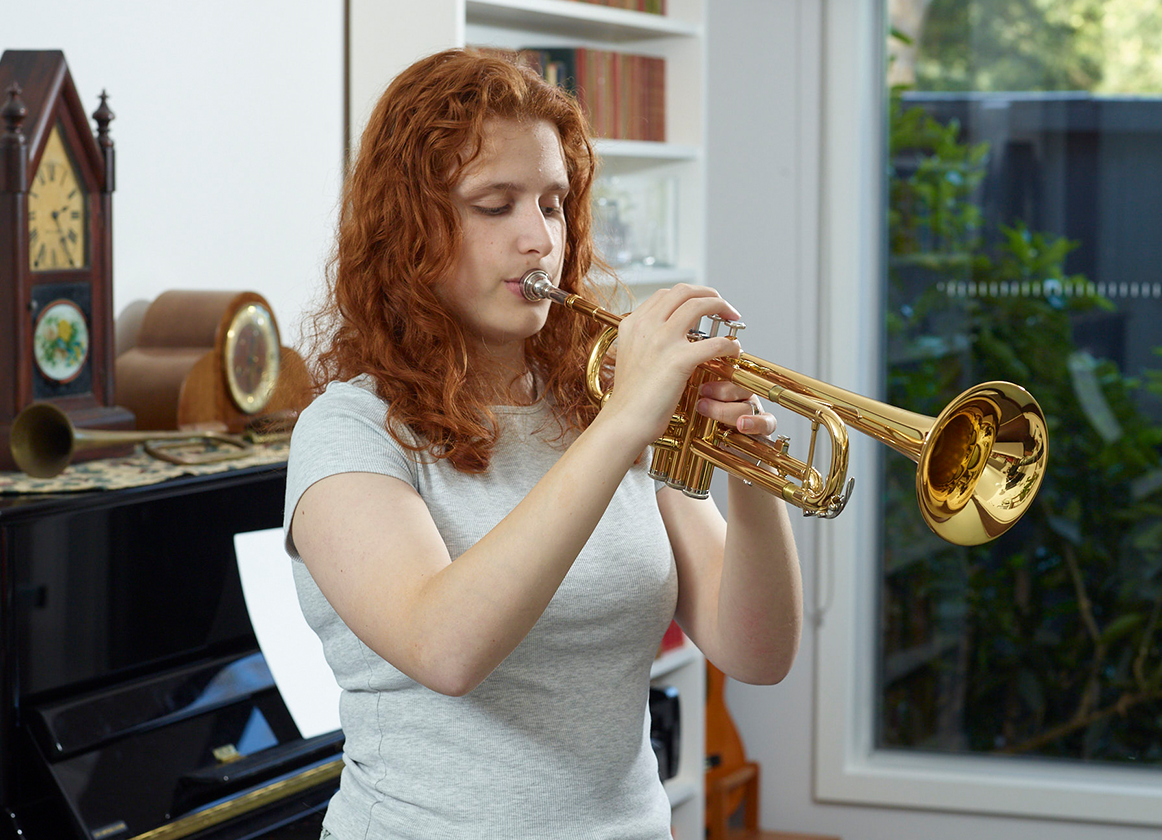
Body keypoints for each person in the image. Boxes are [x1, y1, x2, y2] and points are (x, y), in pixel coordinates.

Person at [284, 48, 801, 839]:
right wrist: (628, 418)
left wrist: (750, 467)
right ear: (409, 230)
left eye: (553, 204)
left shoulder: (593, 408)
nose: (539, 239)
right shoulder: (349, 432)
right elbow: (446, 648)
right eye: (496, 205)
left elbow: (757, 652)